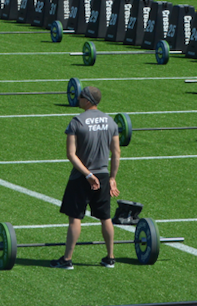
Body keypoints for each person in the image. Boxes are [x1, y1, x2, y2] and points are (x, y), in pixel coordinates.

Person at [52, 85, 120, 270]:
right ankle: (110, 258)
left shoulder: (76, 122)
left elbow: (71, 154)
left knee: (75, 218)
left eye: (81, 96)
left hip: (82, 177)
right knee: (105, 217)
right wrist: (112, 177)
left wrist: (88, 174)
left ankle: (67, 259)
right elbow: (116, 153)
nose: (78, 98)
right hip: (103, 175)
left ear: (88, 100)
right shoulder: (111, 122)